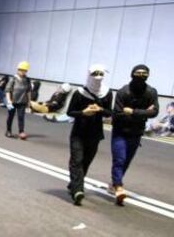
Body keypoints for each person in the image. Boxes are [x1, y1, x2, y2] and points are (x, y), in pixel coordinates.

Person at [111, 64, 159, 205]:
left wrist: (132, 112)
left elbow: (155, 112)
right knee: (119, 159)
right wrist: (144, 112)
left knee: (126, 161)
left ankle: (114, 182)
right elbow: (118, 114)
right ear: (132, 74)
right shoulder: (123, 92)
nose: (141, 75)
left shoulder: (151, 92)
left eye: (144, 73)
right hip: (120, 131)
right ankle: (118, 187)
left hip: (136, 133)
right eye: (138, 73)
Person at [66, 65, 113, 206]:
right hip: (78, 132)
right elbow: (70, 112)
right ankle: (78, 191)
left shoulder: (107, 93)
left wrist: (100, 109)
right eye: (95, 74)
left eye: (100, 74)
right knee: (77, 160)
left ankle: (73, 184)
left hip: (95, 133)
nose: (97, 77)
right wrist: (83, 113)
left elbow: (109, 112)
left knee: (86, 161)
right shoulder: (79, 93)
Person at [5, 62, 32, 139]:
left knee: (21, 117)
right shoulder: (13, 79)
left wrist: (29, 102)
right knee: (10, 116)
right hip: (12, 102)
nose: (22, 72)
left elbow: (29, 91)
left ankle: (21, 132)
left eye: (24, 70)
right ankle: (8, 131)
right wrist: (8, 100)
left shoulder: (27, 80)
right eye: (21, 70)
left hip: (22, 101)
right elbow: (8, 90)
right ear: (18, 70)